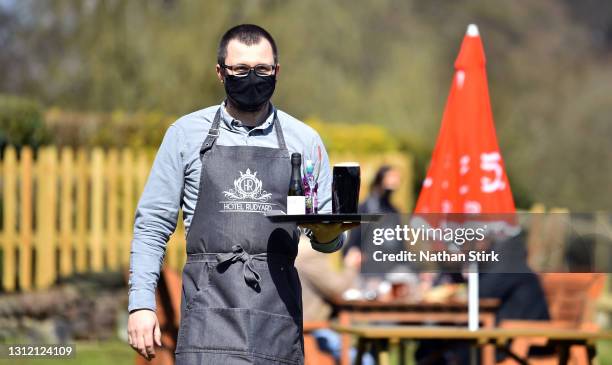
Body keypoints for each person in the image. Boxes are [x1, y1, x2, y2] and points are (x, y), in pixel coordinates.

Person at [126, 24, 357, 365]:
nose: (252, 77)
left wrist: (327, 236)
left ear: (276, 72)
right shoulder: (186, 135)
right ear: (220, 72)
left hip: (277, 319)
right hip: (207, 316)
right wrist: (142, 304)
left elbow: (325, 236)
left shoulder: (305, 141)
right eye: (240, 69)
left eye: (262, 69)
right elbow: (152, 226)